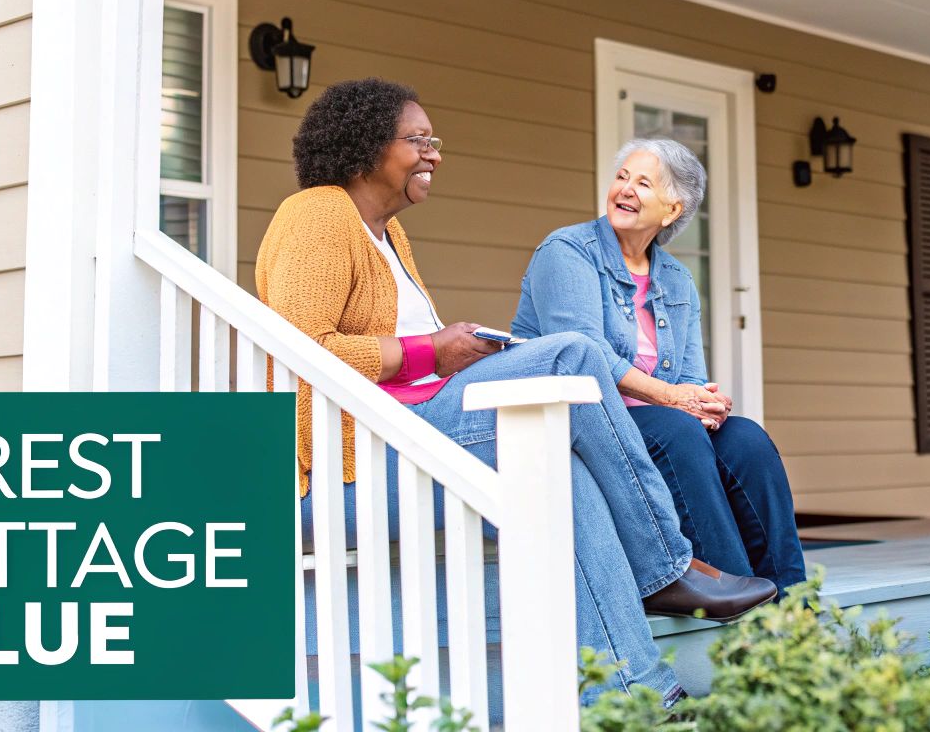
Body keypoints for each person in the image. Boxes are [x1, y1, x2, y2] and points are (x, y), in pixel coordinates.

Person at [255, 79, 775, 705]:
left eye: (434, 141)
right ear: (366, 147)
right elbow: (298, 348)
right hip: (354, 455)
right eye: (418, 140)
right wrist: (431, 351)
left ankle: (639, 696)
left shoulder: (389, 236)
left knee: (567, 467)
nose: (434, 154)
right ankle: (666, 564)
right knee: (575, 355)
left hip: (419, 424)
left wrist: (458, 356)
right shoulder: (316, 212)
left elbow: (417, 365)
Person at [512, 138, 806, 594]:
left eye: (643, 183)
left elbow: (688, 374)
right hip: (582, 418)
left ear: (672, 210)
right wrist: (675, 399)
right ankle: (735, 603)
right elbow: (583, 355)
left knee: (746, 438)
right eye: (622, 177)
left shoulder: (675, 278)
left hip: (654, 421)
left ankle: (792, 602)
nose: (625, 189)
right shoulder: (568, 251)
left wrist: (704, 402)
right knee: (677, 431)